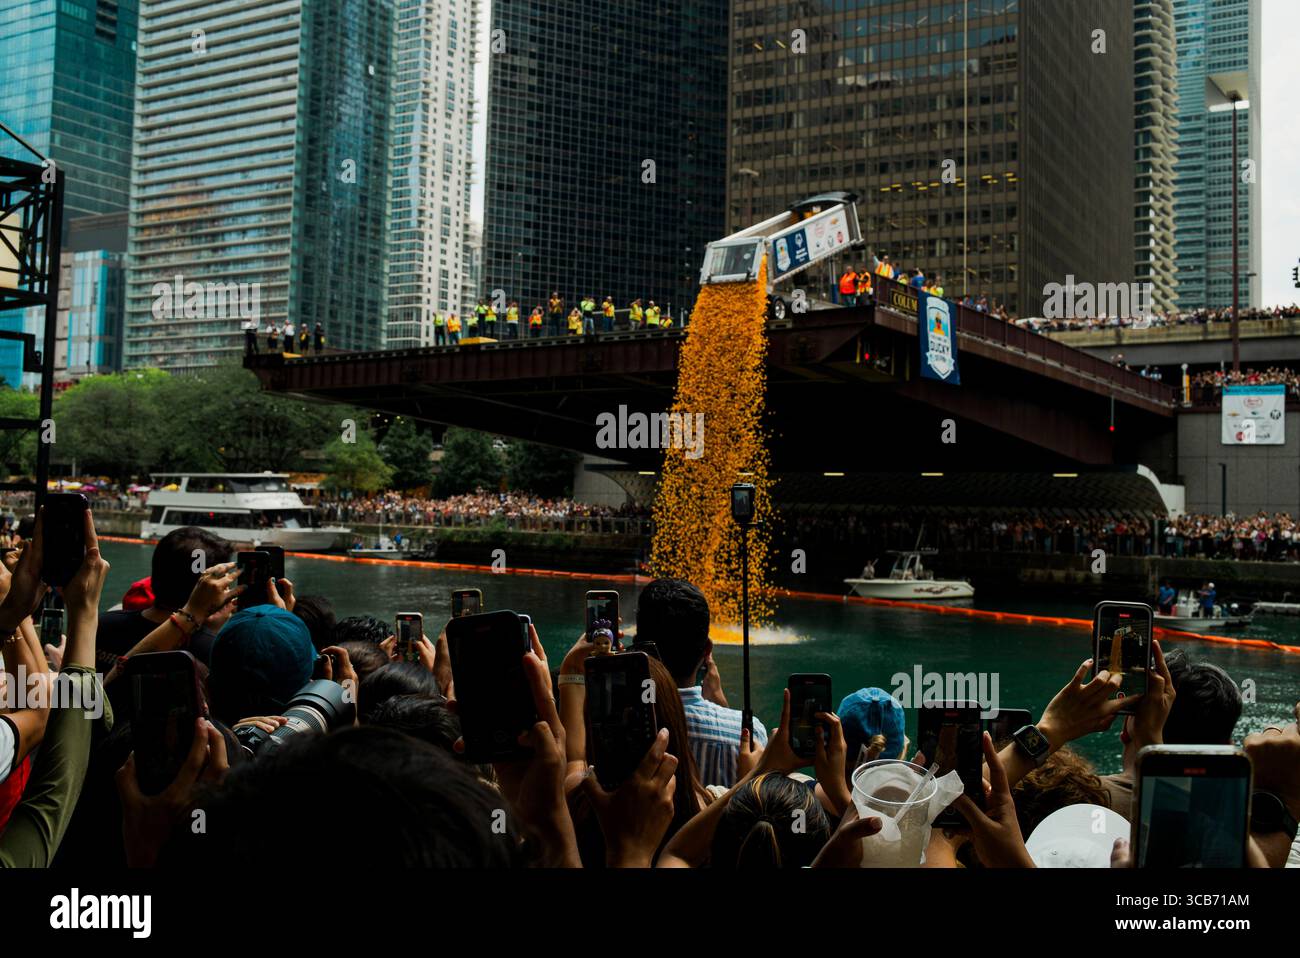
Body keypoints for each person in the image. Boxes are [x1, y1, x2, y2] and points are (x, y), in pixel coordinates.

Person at [634, 578, 767, 786]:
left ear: (638, 646)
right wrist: (722, 707)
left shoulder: (611, 723)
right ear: (707, 651)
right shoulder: (750, 734)